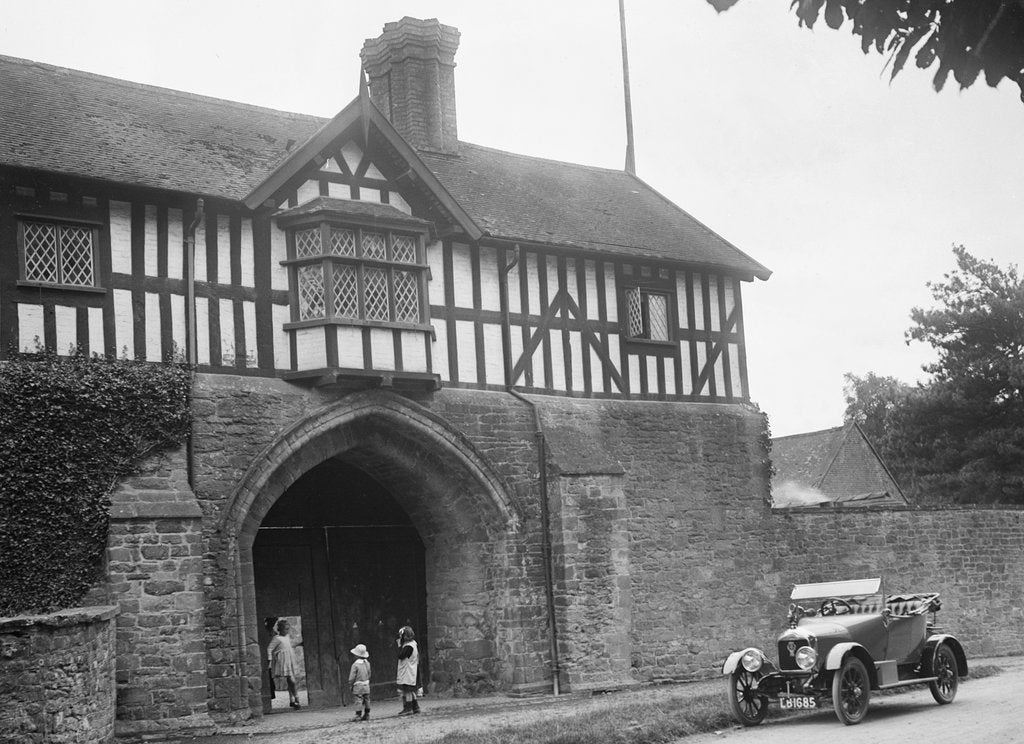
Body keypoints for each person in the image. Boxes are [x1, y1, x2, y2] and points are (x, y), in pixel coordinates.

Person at [267, 618, 302, 709]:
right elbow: (270, 649)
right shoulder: (277, 638)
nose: (287, 631)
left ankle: (292, 700)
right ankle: (297, 698)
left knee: (290, 680)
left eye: (288, 629)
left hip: (290, 659)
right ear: (280, 629)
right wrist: (270, 660)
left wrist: (298, 644)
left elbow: (289, 646)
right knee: (291, 679)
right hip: (283, 661)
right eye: (285, 629)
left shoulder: (287, 637)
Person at [396, 625, 420, 716]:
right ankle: (416, 707)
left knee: (408, 691)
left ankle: (408, 708)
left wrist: (399, 646)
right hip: (410, 670)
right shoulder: (414, 644)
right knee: (411, 690)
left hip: (408, 671)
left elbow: (400, 655)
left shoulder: (408, 646)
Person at [348, 644, 371, 722]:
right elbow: (369, 673)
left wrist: (350, 684)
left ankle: (358, 715)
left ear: (356, 655)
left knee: (358, 699)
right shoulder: (367, 663)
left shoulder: (355, 665)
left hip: (358, 685)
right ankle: (367, 714)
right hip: (366, 684)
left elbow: (352, 677)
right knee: (367, 699)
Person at [263, 617, 278, 699]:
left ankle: (271, 693)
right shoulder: (265, 632)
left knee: (270, 675)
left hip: (271, 656)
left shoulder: (273, 633)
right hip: (266, 655)